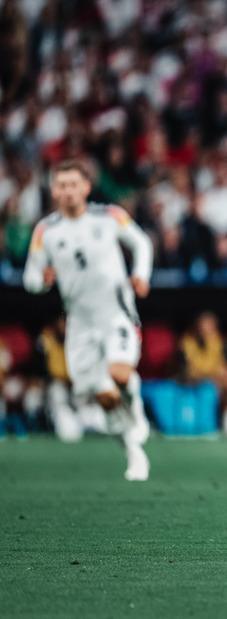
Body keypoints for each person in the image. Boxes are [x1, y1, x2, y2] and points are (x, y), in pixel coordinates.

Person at [23, 159, 153, 480]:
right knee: (105, 397)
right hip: (79, 326)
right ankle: (134, 455)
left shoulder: (109, 217)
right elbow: (30, 276)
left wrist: (140, 274)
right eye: (61, 185)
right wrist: (42, 280)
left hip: (116, 314)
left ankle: (134, 400)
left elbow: (142, 243)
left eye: (73, 184)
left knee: (119, 374)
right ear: (54, 190)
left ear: (86, 187)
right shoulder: (46, 231)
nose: (67, 191)